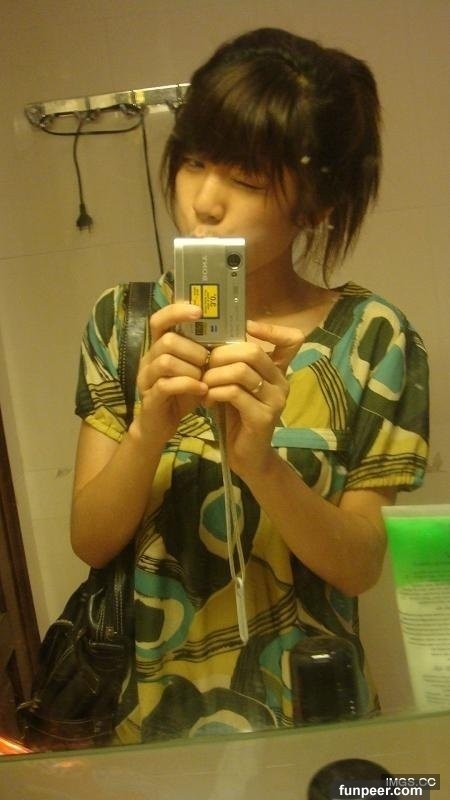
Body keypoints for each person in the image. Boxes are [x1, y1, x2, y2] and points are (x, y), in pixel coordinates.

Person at [71, 28, 429, 742]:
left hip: (315, 720)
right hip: (152, 733)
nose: (204, 201)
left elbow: (359, 566)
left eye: (248, 180)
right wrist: (148, 429)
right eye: (195, 161)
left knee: (392, 792)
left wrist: (263, 465)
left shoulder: (374, 338)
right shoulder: (124, 322)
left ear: (316, 206)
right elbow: (90, 540)